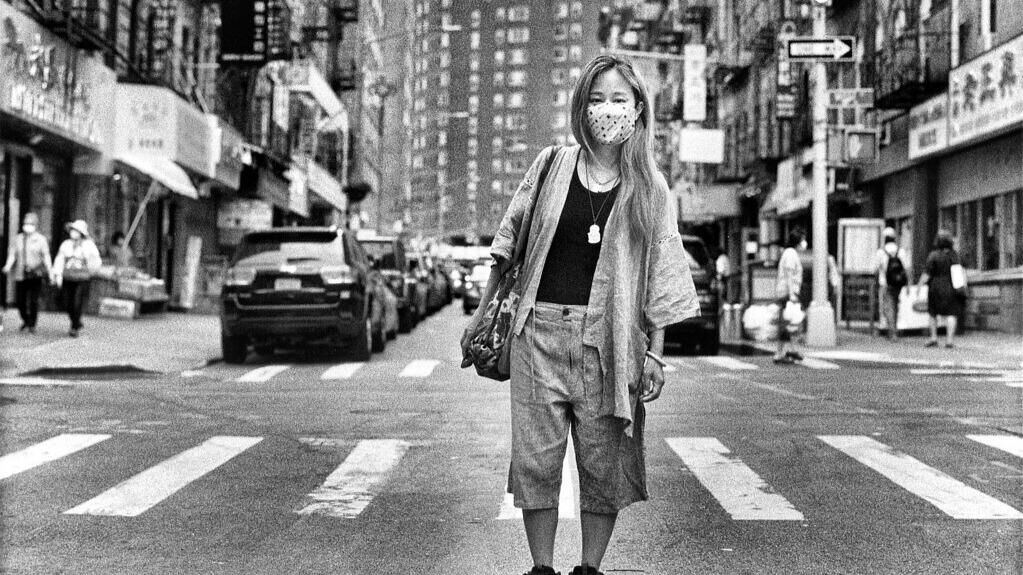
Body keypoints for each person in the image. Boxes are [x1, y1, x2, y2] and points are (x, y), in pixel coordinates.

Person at [461, 55, 699, 575]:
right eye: (596, 100)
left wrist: (655, 353)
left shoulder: (651, 187)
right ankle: (542, 569)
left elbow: (661, 274)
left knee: (603, 464)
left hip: (610, 340)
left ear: (638, 109)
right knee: (535, 461)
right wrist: (480, 317)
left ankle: (590, 569)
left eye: (618, 100)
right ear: (580, 108)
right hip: (537, 333)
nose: (607, 110)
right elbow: (507, 247)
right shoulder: (550, 165)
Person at [2, 213, 52, 334]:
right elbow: (13, 254)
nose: (27, 226)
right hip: (21, 274)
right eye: (25, 223)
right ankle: (26, 319)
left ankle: (32, 324)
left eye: (30, 224)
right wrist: (8, 266)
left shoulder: (41, 239)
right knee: (20, 300)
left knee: (33, 300)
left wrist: (50, 270)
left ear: (35, 225)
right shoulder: (18, 238)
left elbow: (46, 256)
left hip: (35, 274)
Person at [51, 220, 102, 337]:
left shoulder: (89, 245)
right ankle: (76, 320)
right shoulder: (66, 244)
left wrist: (91, 271)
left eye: (76, 231)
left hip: (82, 278)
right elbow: (60, 259)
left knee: (77, 302)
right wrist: (57, 274)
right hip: (68, 277)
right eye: (72, 230)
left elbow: (95, 261)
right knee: (67, 302)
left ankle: (74, 327)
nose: (73, 233)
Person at [917, 229, 963, 348]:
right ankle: (949, 340)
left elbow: (927, 273)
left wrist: (919, 285)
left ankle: (933, 337)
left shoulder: (933, 255)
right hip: (951, 286)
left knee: (933, 313)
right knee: (951, 313)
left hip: (935, 287)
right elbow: (959, 271)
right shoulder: (954, 255)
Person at [873, 227, 910, 341]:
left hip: (885, 283)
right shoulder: (901, 251)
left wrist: (876, 281)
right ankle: (894, 329)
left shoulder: (881, 252)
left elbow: (875, 269)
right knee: (895, 305)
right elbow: (907, 268)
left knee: (888, 307)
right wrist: (908, 284)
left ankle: (892, 332)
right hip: (899, 284)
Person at [774, 230, 805, 364]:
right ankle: (780, 353)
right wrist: (792, 294)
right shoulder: (791, 254)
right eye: (803, 239)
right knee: (788, 323)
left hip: (786, 292)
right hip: (787, 293)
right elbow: (790, 275)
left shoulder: (789, 253)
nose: (804, 243)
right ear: (797, 241)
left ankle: (790, 349)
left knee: (788, 322)